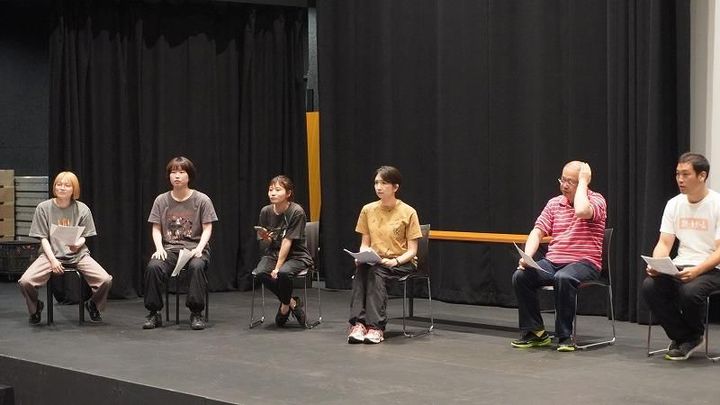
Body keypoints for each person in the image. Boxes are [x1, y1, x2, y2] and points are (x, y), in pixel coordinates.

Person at [511, 161, 607, 352]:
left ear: (583, 182)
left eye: (571, 181)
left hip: (585, 262)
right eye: (563, 180)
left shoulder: (596, 200)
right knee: (521, 276)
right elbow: (537, 231)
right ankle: (536, 332)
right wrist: (527, 257)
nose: (565, 185)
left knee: (563, 277)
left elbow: (581, 211)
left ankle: (564, 336)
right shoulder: (554, 203)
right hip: (553, 261)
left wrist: (583, 182)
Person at [642, 152, 720, 361]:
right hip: (681, 264)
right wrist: (658, 264)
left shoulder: (717, 203)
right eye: (678, 174)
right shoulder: (674, 204)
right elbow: (664, 242)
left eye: (686, 174)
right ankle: (686, 336)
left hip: (712, 268)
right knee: (650, 286)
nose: (680, 179)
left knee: (690, 291)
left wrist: (697, 270)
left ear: (702, 176)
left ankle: (690, 336)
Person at [18, 171, 113, 324]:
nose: (62, 188)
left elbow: (85, 235)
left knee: (105, 280)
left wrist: (78, 244)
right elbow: (43, 238)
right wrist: (53, 260)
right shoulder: (43, 208)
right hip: (50, 255)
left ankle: (93, 304)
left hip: (78, 254)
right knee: (25, 281)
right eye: (58, 184)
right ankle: (35, 307)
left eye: (67, 185)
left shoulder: (82, 209)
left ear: (74, 189)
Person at [347, 166, 422, 344]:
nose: (378, 187)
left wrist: (395, 261)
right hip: (376, 259)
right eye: (376, 183)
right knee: (362, 269)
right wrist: (361, 255)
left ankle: (376, 327)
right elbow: (365, 243)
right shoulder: (368, 209)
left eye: (384, 183)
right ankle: (358, 324)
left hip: (402, 261)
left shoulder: (408, 212)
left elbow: (412, 251)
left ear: (395, 187)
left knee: (376, 272)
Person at [142, 157, 218, 331]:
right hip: (170, 249)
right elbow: (156, 228)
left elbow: (207, 228)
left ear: (189, 176)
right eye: (173, 172)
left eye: (181, 172)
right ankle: (154, 312)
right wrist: (159, 248)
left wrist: (199, 248)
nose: (177, 176)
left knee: (197, 266)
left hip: (195, 249)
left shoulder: (202, 200)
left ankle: (196, 313)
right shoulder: (161, 200)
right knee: (153, 267)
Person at [252, 175, 313, 327]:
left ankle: (284, 308)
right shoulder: (265, 211)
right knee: (260, 273)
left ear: (288, 193)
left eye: (278, 190)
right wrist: (266, 238)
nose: (272, 193)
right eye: (270, 190)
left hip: (296, 254)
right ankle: (291, 302)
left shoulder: (296, 211)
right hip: (274, 252)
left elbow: (288, 241)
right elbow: (268, 242)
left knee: (283, 273)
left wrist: (277, 268)